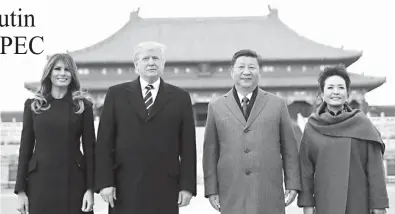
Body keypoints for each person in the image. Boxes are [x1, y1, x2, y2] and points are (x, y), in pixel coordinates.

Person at [95, 41, 197, 214]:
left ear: (163, 63)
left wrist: (187, 186)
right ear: (136, 65)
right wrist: (105, 183)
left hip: (165, 185)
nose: (151, 62)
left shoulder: (181, 98)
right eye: (145, 58)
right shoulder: (116, 95)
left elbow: (188, 146)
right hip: (124, 185)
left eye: (156, 58)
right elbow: (104, 142)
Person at [203, 49, 301, 214]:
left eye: (252, 67)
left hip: (268, 189)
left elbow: (289, 149)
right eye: (241, 67)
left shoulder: (277, 104)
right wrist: (211, 189)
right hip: (232, 190)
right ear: (232, 72)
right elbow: (210, 152)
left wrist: (292, 183)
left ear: (259, 73)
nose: (246, 72)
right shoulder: (216, 107)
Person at [297, 65, 389, 214]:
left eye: (341, 87)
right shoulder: (312, 127)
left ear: (347, 92)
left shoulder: (362, 124)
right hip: (325, 204)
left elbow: (375, 168)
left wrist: (378, 205)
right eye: (330, 87)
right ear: (321, 93)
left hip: (359, 203)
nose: (336, 92)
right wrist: (307, 206)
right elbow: (305, 171)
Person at [14, 53, 96, 214]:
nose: (62, 73)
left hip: (74, 182)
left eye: (67, 69)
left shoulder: (82, 106)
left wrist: (90, 189)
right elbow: (25, 150)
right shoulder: (34, 105)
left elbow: (90, 150)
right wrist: (21, 191)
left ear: (72, 74)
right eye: (57, 69)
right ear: (49, 73)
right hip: (40, 182)